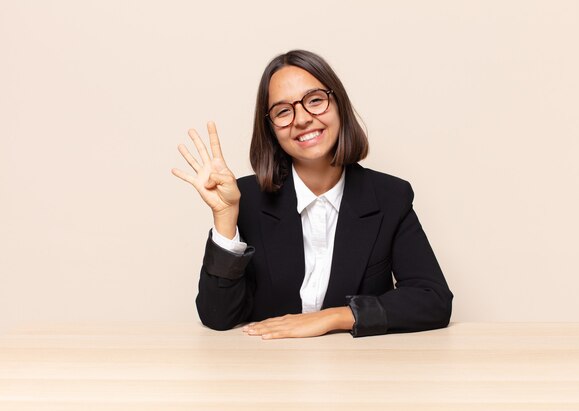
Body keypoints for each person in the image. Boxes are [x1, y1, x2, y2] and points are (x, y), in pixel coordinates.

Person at [172, 50, 453, 339]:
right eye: (283, 111)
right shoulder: (246, 198)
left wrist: (335, 317)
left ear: (339, 105)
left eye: (315, 100)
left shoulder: (390, 196)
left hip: (357, 370)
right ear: (271, 131)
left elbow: (433, 300)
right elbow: (218, 317)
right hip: (268, 369)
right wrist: (225, 217)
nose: (303, 119)